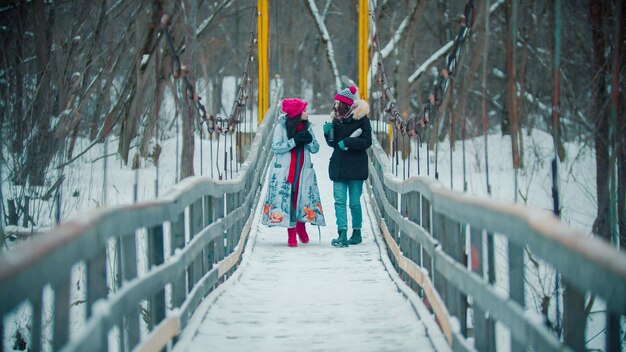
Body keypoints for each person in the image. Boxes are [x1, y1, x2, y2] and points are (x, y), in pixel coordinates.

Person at [261, 98, 325, 247]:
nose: (307, 113)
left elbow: (315, 149)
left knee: (301, 197)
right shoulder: (281, 127)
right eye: (304, 110)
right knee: (288, 198)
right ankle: (291, 232)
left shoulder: (307, 127)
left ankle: (301, 227)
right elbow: (275, 147)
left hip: (303, 170)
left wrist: (309, 141)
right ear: (296, 113)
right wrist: (294, 141)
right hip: (286, 171)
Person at [323, 86, 371, 247]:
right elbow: (334, 144)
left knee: (354, 203)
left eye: (337, 103)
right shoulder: (336, 119)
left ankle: (356, 233)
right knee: (339, 201)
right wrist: (327, 134)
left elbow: (367, 141)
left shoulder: (362, 119)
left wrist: (348, 142)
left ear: (345, 104)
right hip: (339, 166)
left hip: (356, 167)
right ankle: (342, 234)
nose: (335, 106)